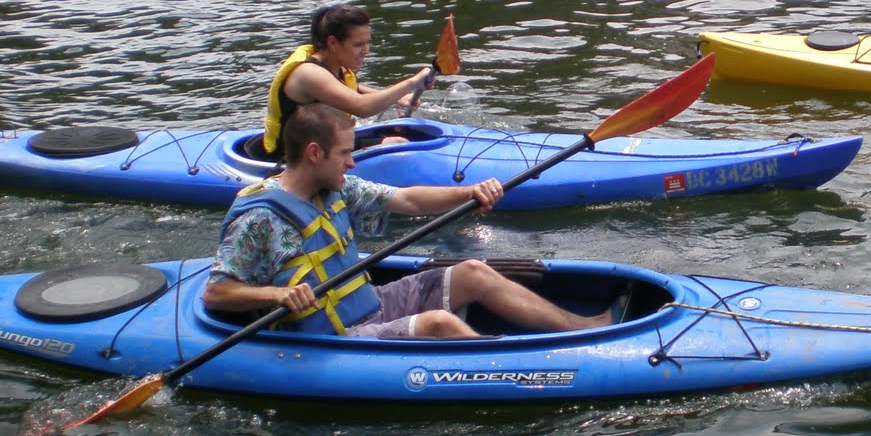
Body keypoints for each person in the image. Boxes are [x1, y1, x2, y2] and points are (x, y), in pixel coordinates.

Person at [205, 103, 617, 339]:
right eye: (344, 153)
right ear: (314, 153)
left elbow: (405, 198)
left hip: (370, 305)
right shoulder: (259, 217)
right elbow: (218, 293)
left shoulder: (335, 188)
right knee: (439, 323)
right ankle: (520, 368)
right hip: (334, 337)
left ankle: (583, 329)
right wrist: (275, 297)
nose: (352, 161)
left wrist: (468, 194)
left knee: (472, 271)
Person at [260, 3, 435, 157]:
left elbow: (351, 88)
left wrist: (398, 98)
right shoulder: (309, 73)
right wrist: (411, 83)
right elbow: (362, 107)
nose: (366, 50)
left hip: (324, 144)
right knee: (396, 144)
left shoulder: (333, 63)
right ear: (333, 43)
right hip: (296, 158)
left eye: (367, 42)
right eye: (358, 44)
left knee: (406, 136)